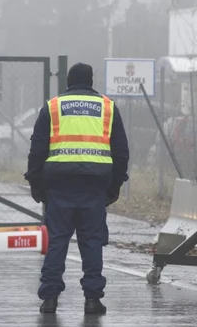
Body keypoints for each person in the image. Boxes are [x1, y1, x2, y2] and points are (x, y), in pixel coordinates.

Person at [24, 62, 130, 315]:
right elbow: (121, 152)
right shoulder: (108, 107)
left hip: (59, 185)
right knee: (92, 241)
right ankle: (92, 300)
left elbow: (38, 149)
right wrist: (115, 186)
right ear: (91, 81)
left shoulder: (52, 107)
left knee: (57, 241)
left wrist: (36, 184)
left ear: (68, 82)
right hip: (95, 185)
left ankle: (49, 298)